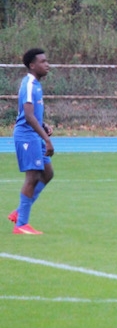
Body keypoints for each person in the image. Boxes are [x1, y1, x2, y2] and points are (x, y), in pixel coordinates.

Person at [8, 48, 55, 235]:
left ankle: (20, 211)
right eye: (43, 62)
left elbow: (31, 114)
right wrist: (46, 139)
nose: (47, 64)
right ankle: (21, 225)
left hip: (34, 135)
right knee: (33, 177)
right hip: (27, 136)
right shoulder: (28, 84)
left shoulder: (36, 84)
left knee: (48, 173)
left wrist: (43, 125)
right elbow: (27, 116)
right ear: (32, 65)